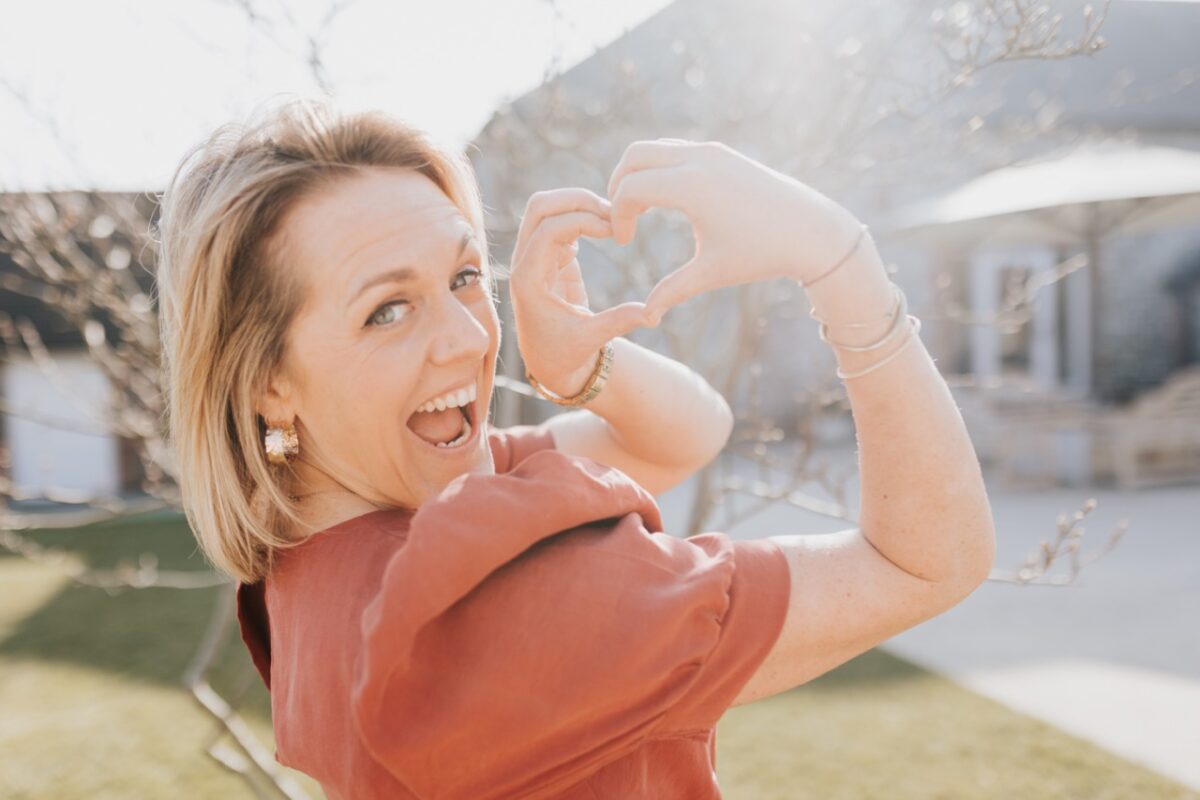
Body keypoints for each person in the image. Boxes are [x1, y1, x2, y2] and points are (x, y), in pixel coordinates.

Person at [154, 96, 995, 800]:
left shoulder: (323, 546)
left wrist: (584, 366)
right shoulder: (496, 594)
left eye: (464, 278)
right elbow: (930, 561)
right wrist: (839, 257)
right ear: (267, 380)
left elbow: (692, 433)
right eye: (387, 310)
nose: (470, 339)